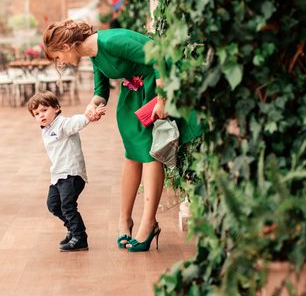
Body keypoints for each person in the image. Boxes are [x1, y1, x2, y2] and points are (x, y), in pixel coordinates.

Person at [42, 19, 201, 252]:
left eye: (57, 57)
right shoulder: (94, 53)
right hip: (132, 97)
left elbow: (158, 56)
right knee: (132, 155)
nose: (61, 63)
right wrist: (92, 105)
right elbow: (101, 90)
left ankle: (149, 224)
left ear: (66, 47)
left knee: (150, 154)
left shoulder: (111, 41)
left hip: (155, 89)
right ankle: (124, 220)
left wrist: (163, 98)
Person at [28, 91, 106, 252]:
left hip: (71, 173)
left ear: (56, 108)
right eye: (36, 113)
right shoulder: (46, 128)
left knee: (68, 206)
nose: (41, 115)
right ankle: (72, 228)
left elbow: (75, 122)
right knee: (53, 205)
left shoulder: (62, 124)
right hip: (58, 175)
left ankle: (80, 237)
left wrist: (88, 117)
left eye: (44, 110)